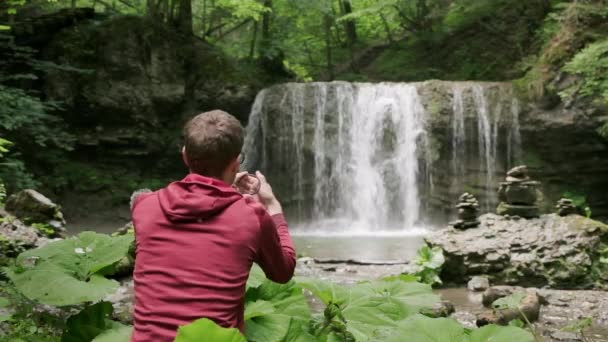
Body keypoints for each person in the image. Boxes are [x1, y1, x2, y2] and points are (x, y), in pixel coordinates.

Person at [130, 110, 296, 341]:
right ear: (236, 163)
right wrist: (273, 208)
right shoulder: (252, 216)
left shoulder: (143, 206)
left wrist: (227, 192)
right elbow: (283, 272)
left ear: (185, 155)